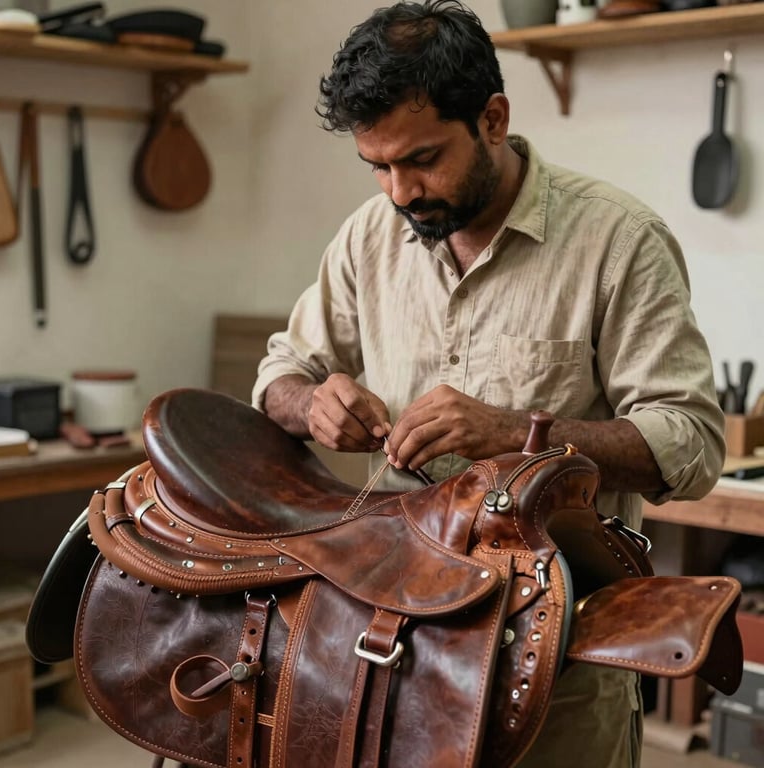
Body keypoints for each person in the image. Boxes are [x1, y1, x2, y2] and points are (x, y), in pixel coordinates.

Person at [252, 1, 725, 765]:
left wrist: (515, 435)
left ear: (493, 120)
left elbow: (693, 444)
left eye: (423, 159)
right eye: (379, 166)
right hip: (391, 644)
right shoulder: (368, 238)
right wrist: (312, 404)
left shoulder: (618, 241)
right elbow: (279, 376)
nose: (400, 192)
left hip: (557, 654)